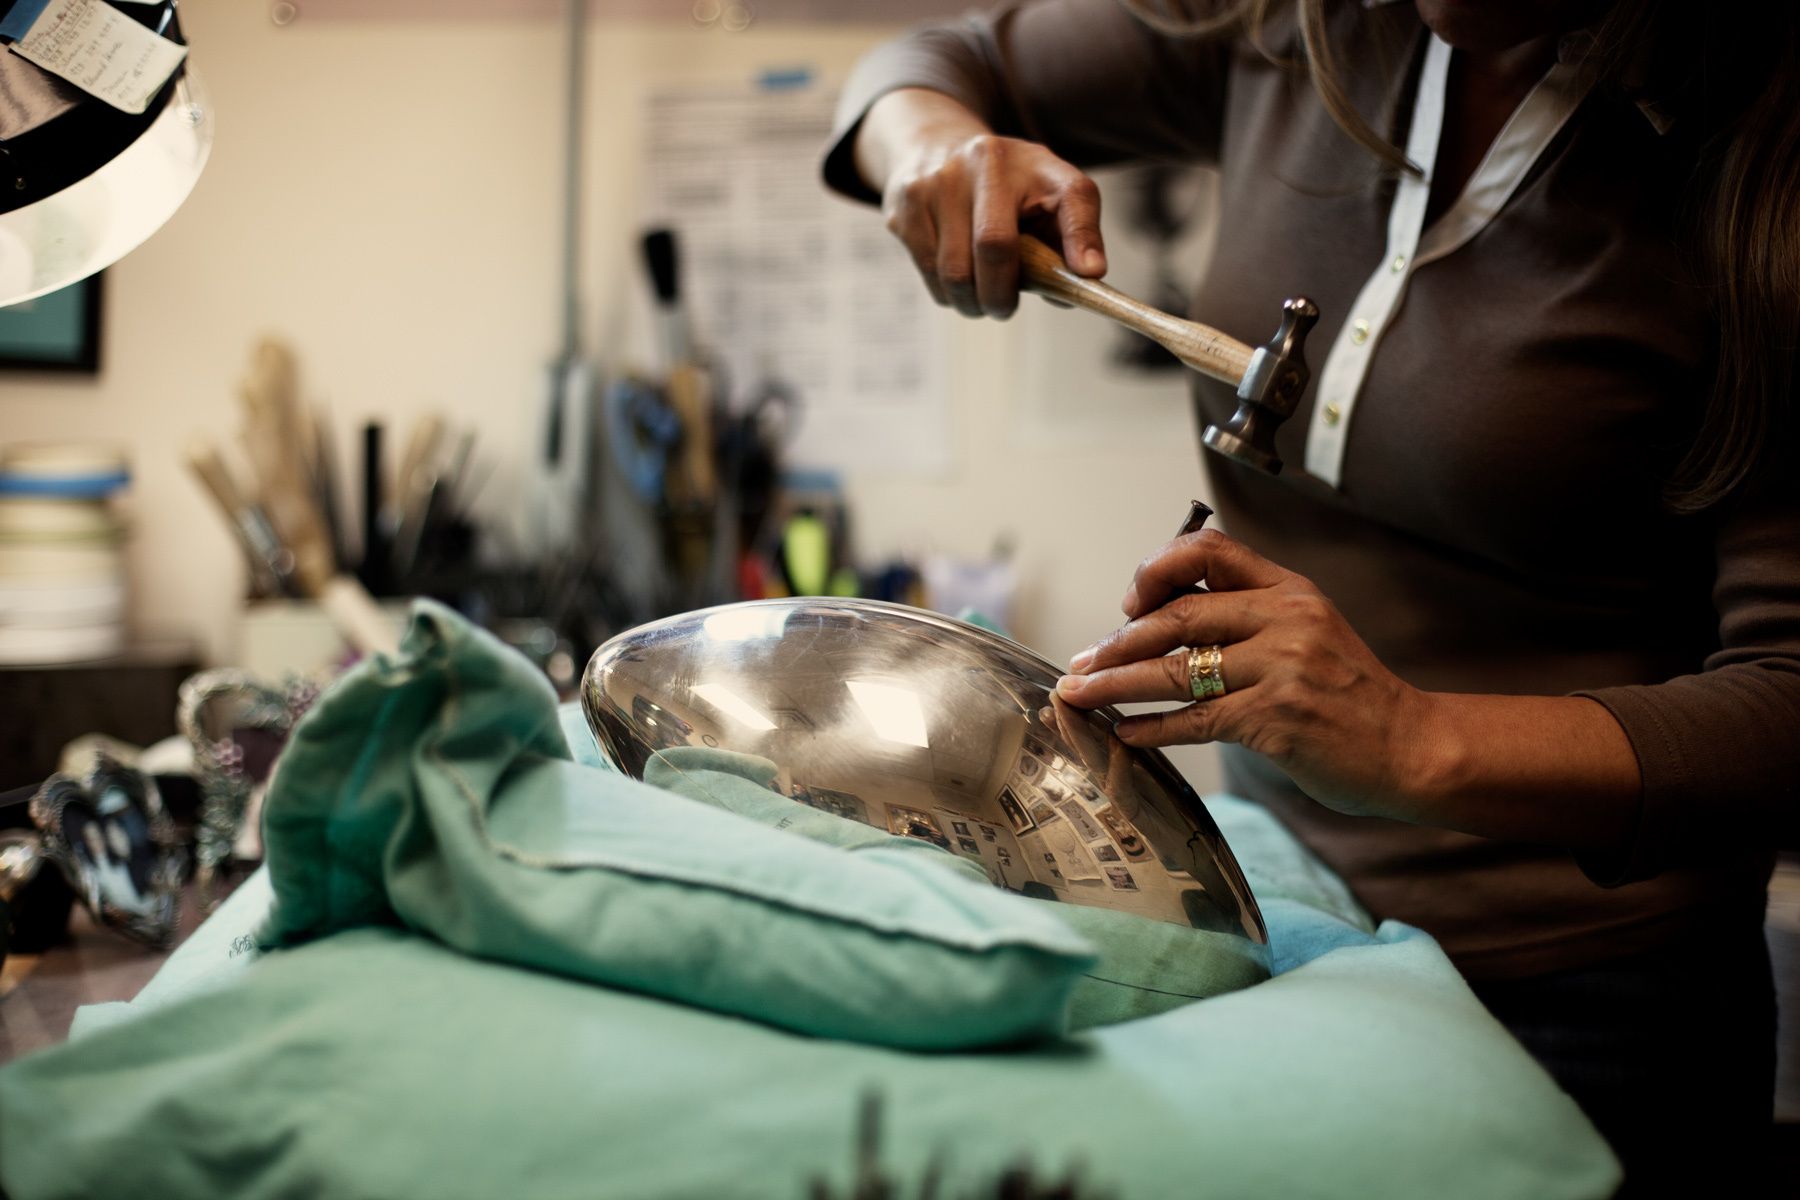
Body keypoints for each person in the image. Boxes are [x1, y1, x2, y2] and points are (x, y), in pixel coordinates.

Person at [821, 1, 1799, 1193]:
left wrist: (1413, 738)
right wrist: (928, 145)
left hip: (1590, 1000)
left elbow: (1786, 708)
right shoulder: (1296, 26)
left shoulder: (1763, 153)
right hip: (1283, 915)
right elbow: (928, 62)